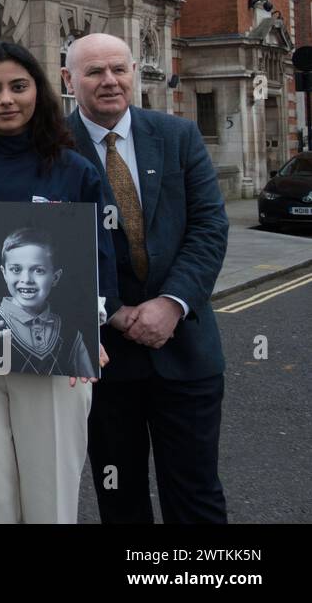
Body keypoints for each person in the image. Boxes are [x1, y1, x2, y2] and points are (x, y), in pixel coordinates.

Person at [0, 40, 114, 524]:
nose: (6, 99)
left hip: (55, 350)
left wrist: (92, 330)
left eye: (18, 87)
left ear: (38, 92)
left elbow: (100, 256)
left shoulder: (73, 169)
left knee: (50, 489)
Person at [62, 32, 229, 524]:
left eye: (119, 69)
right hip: (103, 358)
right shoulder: (51, 147)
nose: (109, 81)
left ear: (134, 72)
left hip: (185, 349)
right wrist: (107, 308)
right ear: (69, 80)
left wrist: (172, 303)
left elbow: (209, 226)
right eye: (94, 72)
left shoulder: (178, 136)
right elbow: (43, 240)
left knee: (195, 492)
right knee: (120, 497)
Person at [0, 227, 96, 378]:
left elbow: (87, 381)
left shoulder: (71, 336)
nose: (26, 280)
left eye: (38, 270)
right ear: (4, 273)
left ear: (55, 277)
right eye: (16, 269)